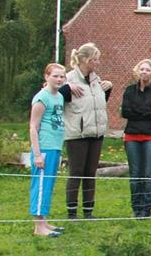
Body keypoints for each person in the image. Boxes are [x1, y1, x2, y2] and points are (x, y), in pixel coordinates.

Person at [60, 43, 112, 220]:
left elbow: (98, 105)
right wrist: (65, 88)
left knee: (91, 172)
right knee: (76, 172)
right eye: (95, 59)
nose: (98, 63)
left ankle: (88, 211)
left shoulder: (96, 80)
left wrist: (108, 89)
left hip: (96, 134)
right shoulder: (68, 80)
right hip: (77, 135)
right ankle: (72, 211)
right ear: (86, 60)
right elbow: (53, 96)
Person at [120, 58, 151, 218]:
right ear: (138, 71)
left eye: (147, 70)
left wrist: (139, 111)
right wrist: (146, 112)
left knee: (148, 174)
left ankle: (146, 209)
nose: (144, 72)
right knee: (135, 174)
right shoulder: (130, 91)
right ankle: (136, 208)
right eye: (142, 69)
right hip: (132, 136)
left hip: (150, 136)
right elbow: (125, 112)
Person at [28, 63, 67, 237]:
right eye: (55, 76)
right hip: (43, 148)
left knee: (48, 186)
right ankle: (38, 227)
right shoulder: (41, 98)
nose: (59, 79)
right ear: (46, 77)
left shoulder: (59, 97)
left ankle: (44, 222)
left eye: (62, 76)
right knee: (41, 186)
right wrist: (37, 155)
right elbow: (33, 127)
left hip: (55, 147)